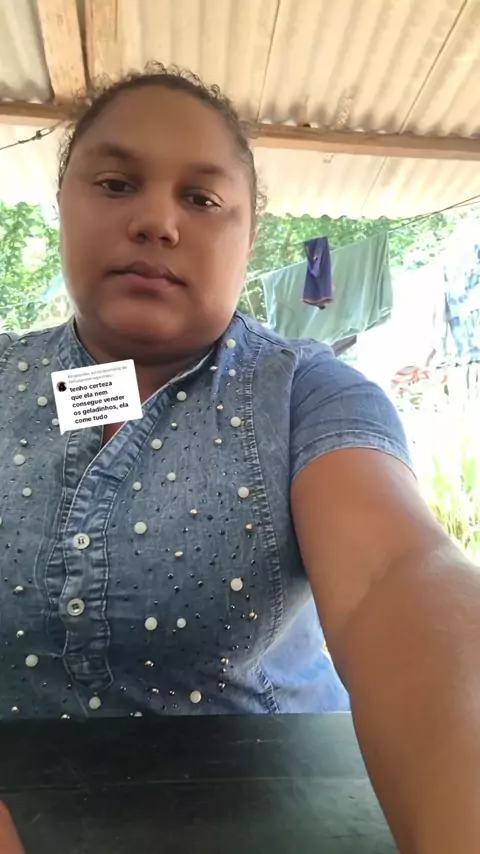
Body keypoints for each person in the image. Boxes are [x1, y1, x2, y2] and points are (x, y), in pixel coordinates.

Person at [0, 64, 479, 852]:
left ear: (248, 239)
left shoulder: (305, 392)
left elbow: (394, 574)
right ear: (63, 204)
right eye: (116, 184)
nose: (157, 221)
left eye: (201, 199)